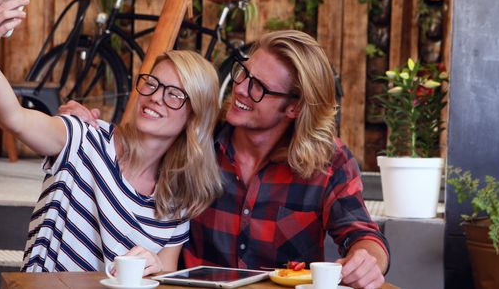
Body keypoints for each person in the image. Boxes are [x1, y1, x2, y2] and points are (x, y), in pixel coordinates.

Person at [60, 30, 389, 288]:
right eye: (243, 73)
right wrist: (88, 125)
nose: (241, 89)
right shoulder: (196, 136)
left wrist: (366, 260)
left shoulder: (328, 159)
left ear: (294, 108)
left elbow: (363, 234)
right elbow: (137, 140)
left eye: (259, 87)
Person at [0, 0, 223, 274]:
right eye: (153, 83)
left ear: (194, 117)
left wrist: (156, 268)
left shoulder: (177, 198)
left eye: (174, 94)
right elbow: (14, 117)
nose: (155, 96)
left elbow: (165, 271)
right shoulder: (85, 137)